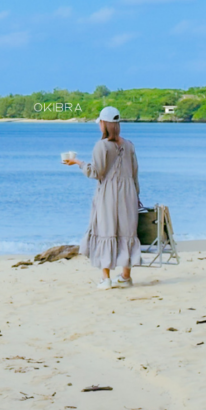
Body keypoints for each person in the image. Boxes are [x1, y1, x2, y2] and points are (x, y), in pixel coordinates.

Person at [64, 106, 142, 289]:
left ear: (104, 124)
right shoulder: (129, 145)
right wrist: (136, 194)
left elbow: (96, 172)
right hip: (128, 193)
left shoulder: (102, 145)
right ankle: (125, 276)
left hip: (108, 194)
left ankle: (105, 278)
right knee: (127, 231)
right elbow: (135, 173)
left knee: (105, 230)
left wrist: (78, 162)